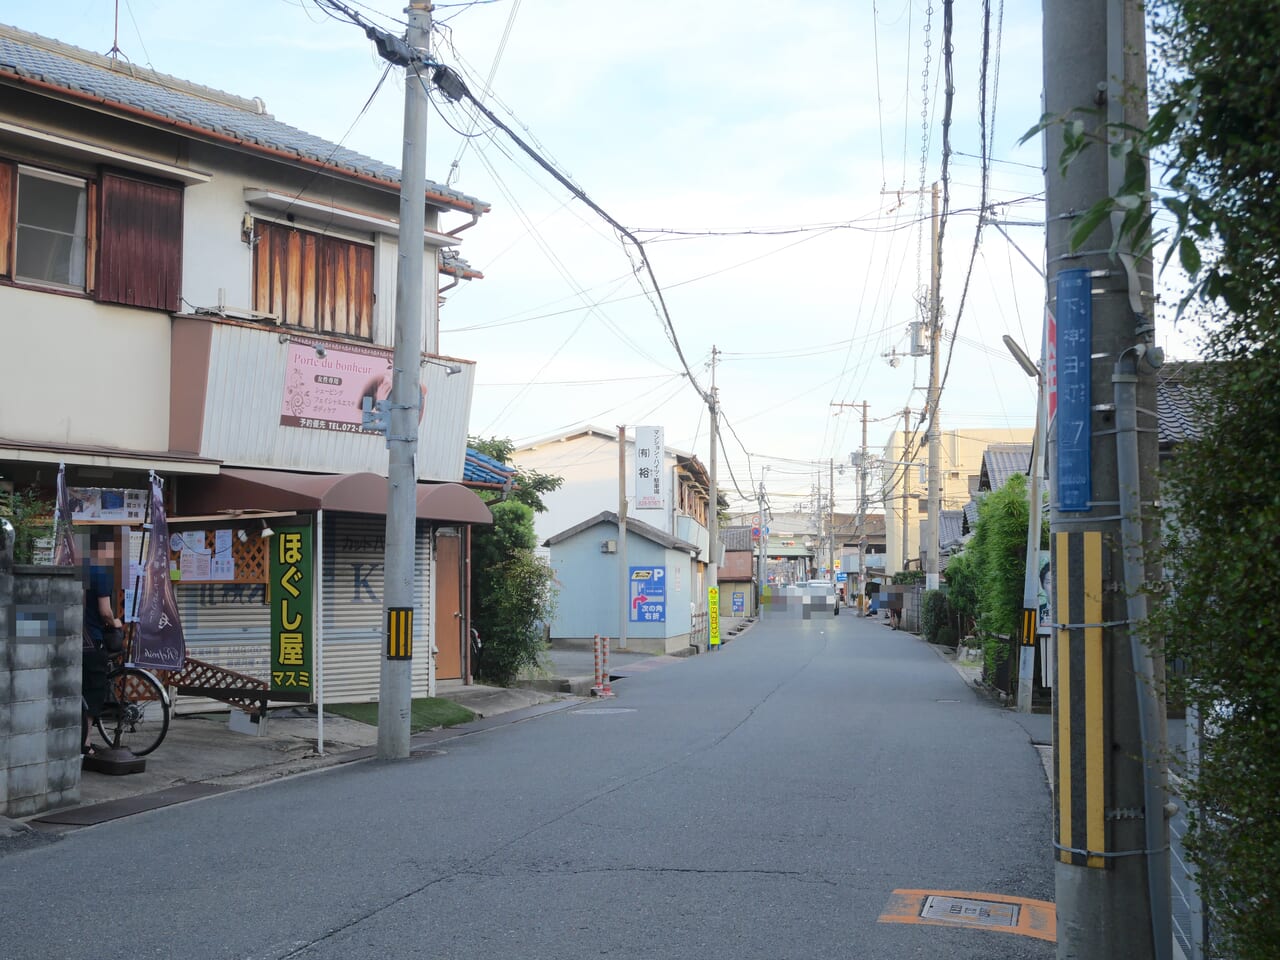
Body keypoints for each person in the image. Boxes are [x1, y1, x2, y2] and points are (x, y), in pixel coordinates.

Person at [82, 530, 121, 757]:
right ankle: (85, 744)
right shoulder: (101, 572)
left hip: (74, 639)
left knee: (78, 691)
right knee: (93, 692)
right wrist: (115, 622)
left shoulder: (80, 569)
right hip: (93, 639)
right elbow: (105, 611)